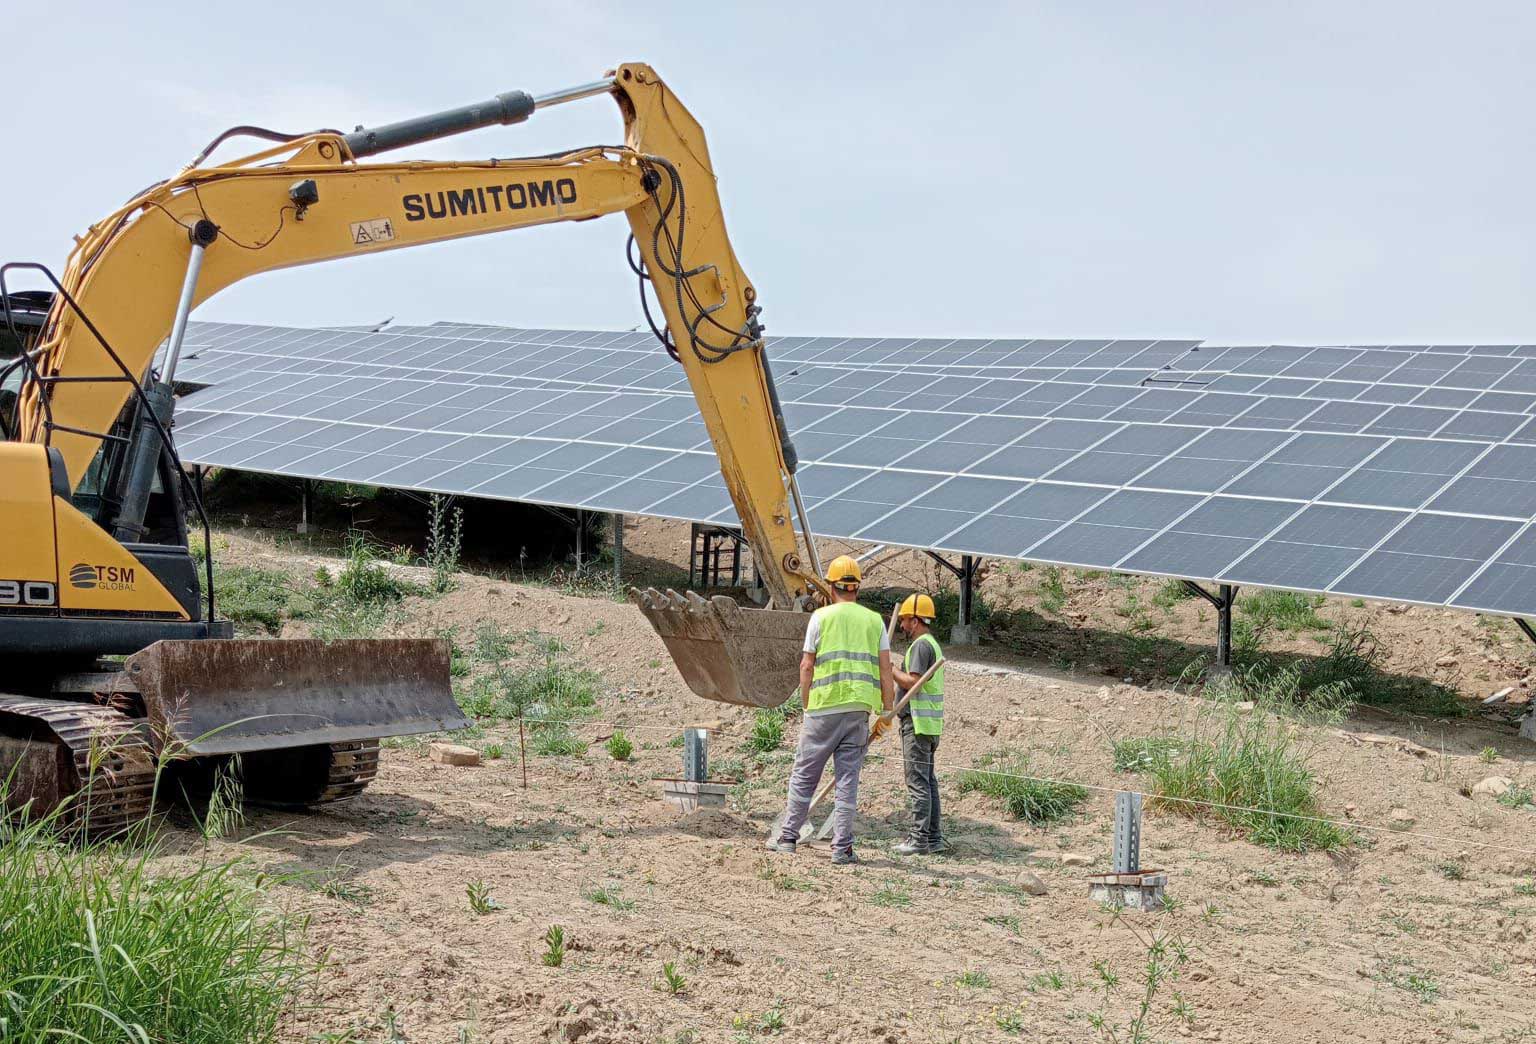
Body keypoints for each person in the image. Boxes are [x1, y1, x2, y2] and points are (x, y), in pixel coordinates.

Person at [767, 554, 893, 865]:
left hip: (823, 709)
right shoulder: (875, 620)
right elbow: (886, 670)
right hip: (858, 712)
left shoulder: (820, 618)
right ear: (857, 588)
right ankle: (842, 849)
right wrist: (887, 711)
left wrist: (807, 702)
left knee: (805, 775)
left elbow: (806, 665)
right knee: (848, 779)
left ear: (831, 588)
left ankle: (787, 838)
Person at [891, 593, 947, 855]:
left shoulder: (921, 646)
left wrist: (889, 670)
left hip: (917, 723)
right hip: (928, 724)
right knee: (927, 782)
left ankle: (919, 840)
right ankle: (933, 838)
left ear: (915, 620)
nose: (901, 626)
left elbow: (913, 683)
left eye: (904, 621)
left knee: (917, 782)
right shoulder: (930, 645)